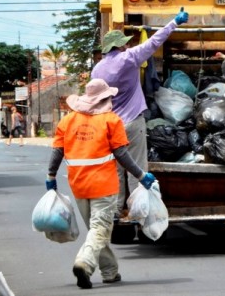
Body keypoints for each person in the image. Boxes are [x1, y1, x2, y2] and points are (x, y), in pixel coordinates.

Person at [45, 78, 157, 289]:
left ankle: (110, 272)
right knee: (100, 229)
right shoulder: (111, 120)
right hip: (104, 186)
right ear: (105, 98)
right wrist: (141, 175)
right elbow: (122, 154)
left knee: (97, 231)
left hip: (78, 185)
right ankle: (84, 263)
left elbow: (57, 152)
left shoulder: (67, 121)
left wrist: (50, 177)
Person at [91, 7, 189, 218]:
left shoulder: (97, 70)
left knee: (116, 170)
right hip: (132, 123)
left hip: (109, 125)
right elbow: (154, 42)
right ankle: (138, 211)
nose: (128, 44)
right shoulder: (129, 58)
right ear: (120, 45)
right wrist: (174, 22)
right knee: (136, 169)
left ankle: (117, 210)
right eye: (126, 42)